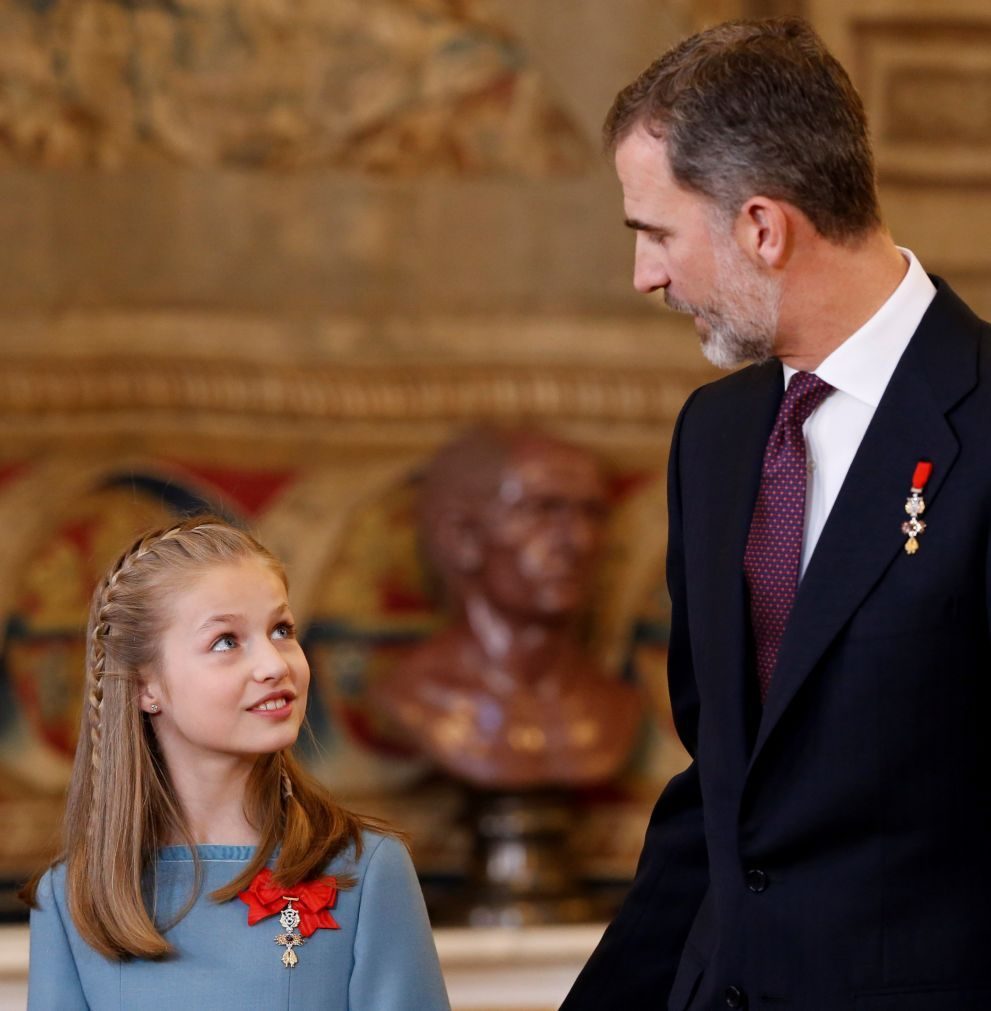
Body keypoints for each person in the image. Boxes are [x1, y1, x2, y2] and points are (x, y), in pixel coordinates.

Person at [563, 16, 991, 1011]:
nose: (646, 277)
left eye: (656, 233)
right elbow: (721, 798)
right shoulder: (712, 438)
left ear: (761, 227)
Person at [24, 516, 450, 1010]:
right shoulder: (72, 897)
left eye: (281, 630)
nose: (274, 664)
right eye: (227, 641)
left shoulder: (367, 872)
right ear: (146, 686)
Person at [372, 427, 641, 789]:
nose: (578, 540)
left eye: (593, 513)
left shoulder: (616, 707)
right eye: (542, 510)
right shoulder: (417, 699)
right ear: (462, 537)